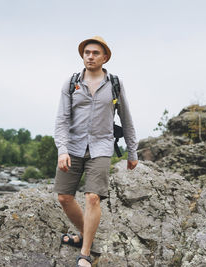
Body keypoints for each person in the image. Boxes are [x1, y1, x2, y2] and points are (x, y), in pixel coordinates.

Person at [54, 36, 138, 267]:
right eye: (87, 53)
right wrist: (62, 150)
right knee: (64, 197)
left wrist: (133, 152)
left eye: (95, 53)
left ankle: (85, 253)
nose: (90, 56)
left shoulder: (114, 84)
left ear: (105, 57)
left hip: (101, 147)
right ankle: (86, 234)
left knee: (92, 197)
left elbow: (126, 119)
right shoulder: (71, 83)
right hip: (72, 147)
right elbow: (61, 120)